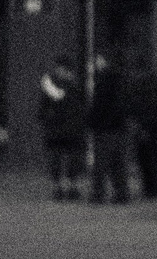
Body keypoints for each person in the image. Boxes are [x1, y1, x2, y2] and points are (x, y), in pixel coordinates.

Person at [123, 54, 157, 199]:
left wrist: (142, 125)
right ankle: (156, 187)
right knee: (151, 157)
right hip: (152, 126)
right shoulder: (155, 82)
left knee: (149, 158)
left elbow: (145, 106)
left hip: (147, 126)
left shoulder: (145, 84)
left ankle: (155, 187)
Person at [39, 61, 86, 200]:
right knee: (72, 159)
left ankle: (59, 188)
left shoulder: (51, 87)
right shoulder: (76, 88)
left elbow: (43, 110)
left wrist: (47, 120)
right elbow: (82, 108)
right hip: (71, 130)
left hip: (57, 130)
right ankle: (71, 187)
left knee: (57, 159)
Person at [87, 54, 131, 203]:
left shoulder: (103, 82)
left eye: (98, 60)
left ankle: (98, 193)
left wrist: (92, 122)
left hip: (104, 129)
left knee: (101, 163)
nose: (95, 63)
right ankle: (121, 193)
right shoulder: (121, 80)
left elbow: (99, 106)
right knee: (118, 163)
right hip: (119, 127)